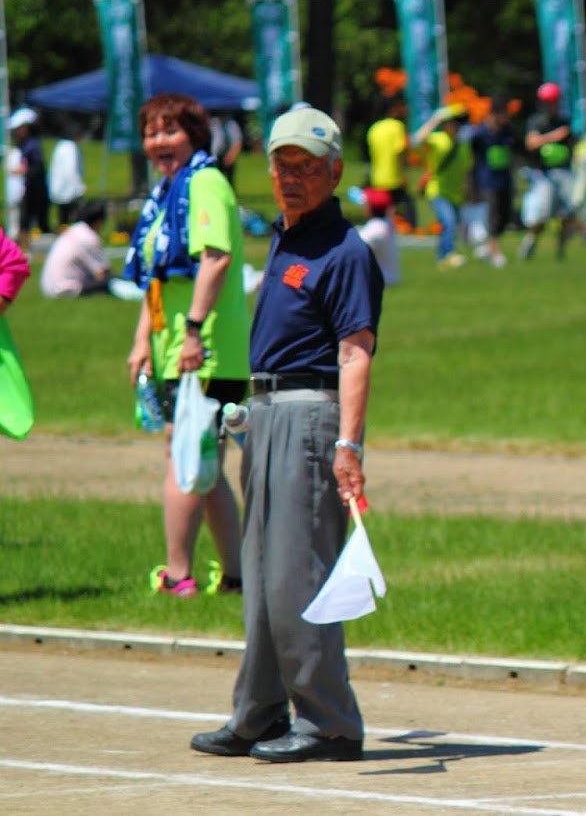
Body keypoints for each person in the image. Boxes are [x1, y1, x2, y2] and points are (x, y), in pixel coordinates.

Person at [190, 106, 382, 764]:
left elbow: (356, 351)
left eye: (306, 167)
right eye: (282, 165)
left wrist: (348, 445)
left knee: (300, 575)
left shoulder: (345, 250)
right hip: (266, 411)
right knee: (267, 574)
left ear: (334, 173)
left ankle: (330, 722)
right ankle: (262, 712)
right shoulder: (286, 238)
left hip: (310, 416)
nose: (291, 177)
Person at [122, 93, 248, 599]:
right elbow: (157, 278)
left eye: (169, 131)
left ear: (194, 136)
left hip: (206, 349)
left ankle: (177, 576)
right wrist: (142, 342)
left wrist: (192, 331)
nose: (159, 142)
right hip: (176, 346)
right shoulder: (166, 193)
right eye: (151, 133)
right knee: (206, 462)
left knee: (185, 459)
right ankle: (236, 576)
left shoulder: (205, 183)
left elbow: (214, 258)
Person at [520, 84, 578, 260]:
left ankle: (561, 250)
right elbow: (530, 143)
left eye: (553, 102)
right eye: (547, 102)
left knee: (569, 213)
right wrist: (553, 136)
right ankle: (531, 241)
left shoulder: (565, 120)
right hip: (545, 175)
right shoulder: (536, 121)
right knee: (542, 215)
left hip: (565, 173)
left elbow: (574, 146)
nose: (551, 105)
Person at [410, 105, 469, 267]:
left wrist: (467, 189)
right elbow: (416, 140)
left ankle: (442, 257)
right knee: (448, 222)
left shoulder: (463, 145)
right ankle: (449, 254)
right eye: (451, 122)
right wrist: (435, 119)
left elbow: (465, 170)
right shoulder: (438, 139)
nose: (455, 126)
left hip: (456, 193)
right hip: (437, 191)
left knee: (450, 226)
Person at [467, 101, 516, 267]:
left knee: (504, 217)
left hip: (504, 178)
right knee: (493, 216)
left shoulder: (507, 131)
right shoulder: (480, 133)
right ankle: (495, 252)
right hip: (487, 179)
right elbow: (470, 154)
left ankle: (488, 247)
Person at [40, 201, 114, 298]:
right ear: (99, 221)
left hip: (48, 287)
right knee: (111, 283)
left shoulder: (74, 230)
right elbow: (102, 273)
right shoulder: (89, 237)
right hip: (65, 289)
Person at [365, 96, 415, 227]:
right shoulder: (397, 127)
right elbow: (399, 153)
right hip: (393, 178)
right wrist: (404, 175)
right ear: (393, 108)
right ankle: (410, 231)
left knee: (379, 213)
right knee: (407, 206)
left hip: (376, 178)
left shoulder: (374, 128)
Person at [8, 108, 48, 249]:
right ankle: (25, 246)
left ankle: (29, 247)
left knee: (34, 221)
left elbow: (38, 168)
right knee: (24, 220)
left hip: (35, 189)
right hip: (28, 188)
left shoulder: (32, 145)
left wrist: (24, 171)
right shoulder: (24, 145)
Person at [357, 188, 401, 286]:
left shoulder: (372, 231)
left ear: (369, 208)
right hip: (390, 277)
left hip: (376, 281)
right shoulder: (387, 224)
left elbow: (353, 252)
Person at [47, 134, 86, 232]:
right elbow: (71, 170)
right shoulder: (70, 148)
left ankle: (64, 233)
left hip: (60, 188)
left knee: (63, 218)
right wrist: (78, 188)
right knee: (74, 218)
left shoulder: (60, 146)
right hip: (70, 190)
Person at [209, 112, 244, 185]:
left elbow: (237, 142)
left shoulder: (231, 124)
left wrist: (231, 155)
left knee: (229, 180)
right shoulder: (213, 123)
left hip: (227, 154)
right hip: (215, 155)